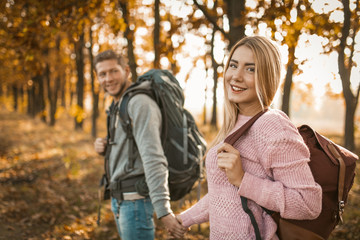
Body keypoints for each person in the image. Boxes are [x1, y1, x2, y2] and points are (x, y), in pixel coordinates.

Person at [176, 36, 322, 239]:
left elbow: (308, 203)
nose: (236, 76)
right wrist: (185, 219)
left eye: (250, 69)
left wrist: (244, 179)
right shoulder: (235, 123)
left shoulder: (273, 126)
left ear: (267, 77)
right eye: (233, 65)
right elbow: (225, 195)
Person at [93, 50, 186, 239]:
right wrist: (104, 148)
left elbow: (153, 156)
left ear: (126, 71)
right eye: (102, 74)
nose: (108, 79)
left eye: (113, 71)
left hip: (135, 204)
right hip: (120, 200)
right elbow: (131, 149)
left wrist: (164, 211)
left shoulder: (139, 103)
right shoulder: (119, 103)